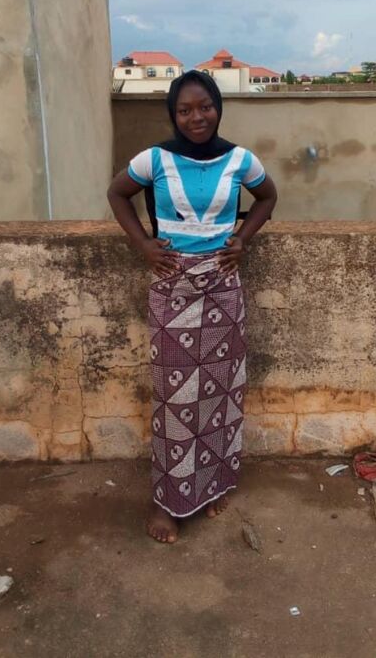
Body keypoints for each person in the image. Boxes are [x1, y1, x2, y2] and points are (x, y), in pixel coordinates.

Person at [108, 70, 277, 543]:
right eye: (185, 110)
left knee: (220, 394)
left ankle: (211, 485)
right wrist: (144, 244)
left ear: (218, 108)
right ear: (173, 114)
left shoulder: (240, 159)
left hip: (223, 287)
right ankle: (167, 502)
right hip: (172, 288)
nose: (196, 117)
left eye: (205, 107)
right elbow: (117, 194)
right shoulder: (153, 159)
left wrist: (242, 238)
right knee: (174, 399)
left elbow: (268, 197)